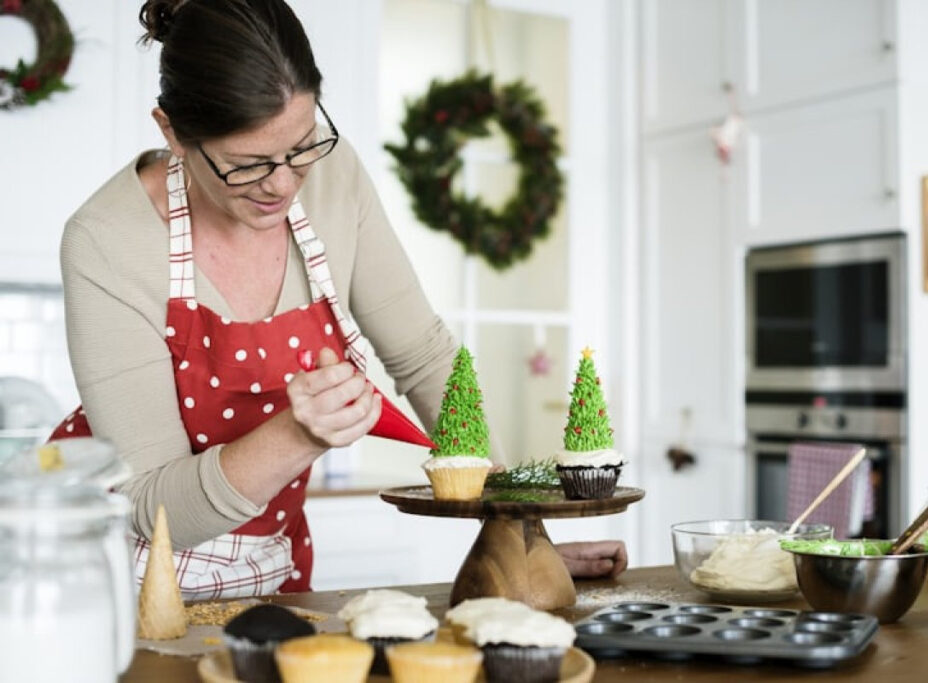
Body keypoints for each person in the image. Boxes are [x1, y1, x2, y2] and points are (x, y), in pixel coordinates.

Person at [52, 0, 626, 600]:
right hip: (111, 572)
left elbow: (427, 359)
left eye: (301, 146)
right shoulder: (108, 239)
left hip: (267, 562)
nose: (282, 184)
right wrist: (298, 436)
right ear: (172, 132)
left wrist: (524, 536)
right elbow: (152, 507)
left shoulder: (334, 178)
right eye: (246, 166)